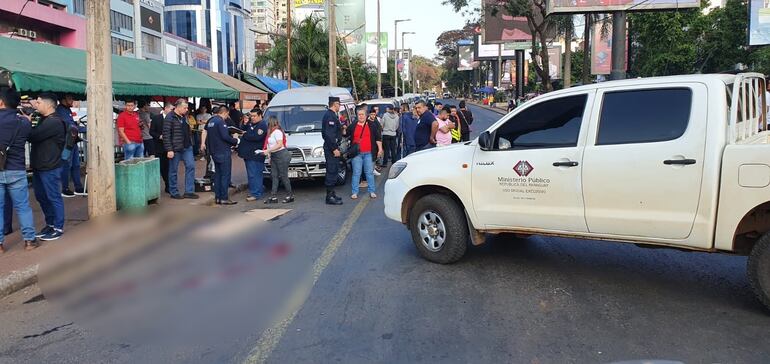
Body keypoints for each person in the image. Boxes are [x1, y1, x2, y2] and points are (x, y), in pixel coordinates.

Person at [0, 88, 37, 252]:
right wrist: (27, 120)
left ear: (1, 102)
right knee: (23, 206)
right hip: (17, 170)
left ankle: (0, 245)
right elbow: (30, 133)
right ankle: (29, 241)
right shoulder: (23, 123)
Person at [29, 93, 66, 241]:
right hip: (40, 166)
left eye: (38, 102)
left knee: (53, 197)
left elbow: (32, 136)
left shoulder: (54, 122)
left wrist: (27, 122)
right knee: (41, 196)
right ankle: (50, 224)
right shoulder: (44, 120)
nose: (35, 104)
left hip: (50, 166)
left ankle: (58, 227)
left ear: (49, 105)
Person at [163, 99, 199, 200]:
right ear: (178, 107)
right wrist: (169, 149)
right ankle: (174, 192)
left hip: (187, 146)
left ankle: (189, 191)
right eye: (185, 107)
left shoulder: (183, 117)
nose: (187, 109)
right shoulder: (169, 117)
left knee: (191, 167)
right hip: (175, 148)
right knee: (173, 170)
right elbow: (166, 134)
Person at [205, 106, 239, 205]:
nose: (227, 117)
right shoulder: (221, 122)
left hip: (214, 152)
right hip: (223, 152)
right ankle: (224, 197)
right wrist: (235, 141)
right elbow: (225, 136)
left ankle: (218, 198)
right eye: (227, 115)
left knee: (218, 175)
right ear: (225, 113)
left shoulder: (211, 121)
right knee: (225, 176)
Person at [346, 107, 382, 200]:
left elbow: (378, 138)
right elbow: (345, 134)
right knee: (356, 173)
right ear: (357, 116)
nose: (361, 116)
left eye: (362, 114)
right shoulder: (353, 125)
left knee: (369, 173)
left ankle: (372, 191)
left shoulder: (371, 125)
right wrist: (342, 127)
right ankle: (354, 192)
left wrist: (380, 149)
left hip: (369, 153)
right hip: (357, 154)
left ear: (366, 115)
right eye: (359, 114)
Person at [57, 94, 85, 198]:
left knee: (76, 165)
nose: (72, 100)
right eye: (69, 98)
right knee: (66, 165)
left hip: (72, 141)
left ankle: (78, 187)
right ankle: (65, 188)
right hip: (66, 143)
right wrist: (84, 129)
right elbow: (70, 126)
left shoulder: (67, 110)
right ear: (63, 99)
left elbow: (72, 124)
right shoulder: (60, 110)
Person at [239, 108, 267, 202]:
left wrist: (245, 135)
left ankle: (256, 193)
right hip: (248, 153)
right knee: (252, 174)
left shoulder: (262, 125)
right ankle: (255, 191)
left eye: (254, 116)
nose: (252, 118)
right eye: (251, 116)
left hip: (255, 154)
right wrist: (245, 122)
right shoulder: (251, 123)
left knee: (255, 174)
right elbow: (242, 129)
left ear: (260, 116)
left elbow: (256, 137)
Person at [263, 116, 293, 204]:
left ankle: (290, 195)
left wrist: (268, 150)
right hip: (274, 155)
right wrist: (269, 155)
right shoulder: (270, 132)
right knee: (274, 176)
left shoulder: (277, 132)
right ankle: (273, 196)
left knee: (283, 175)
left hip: (281, 154)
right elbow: (269, 144)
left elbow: (280, 144)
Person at [321, 96, 344, 205]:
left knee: (334, 170)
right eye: (339, 104)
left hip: (332, 146)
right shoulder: (330, 116)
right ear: (335, 104)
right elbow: (329, 135)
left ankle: (332, 193)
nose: (339, 106)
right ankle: (329, 197)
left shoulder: (332, 115)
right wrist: (334, 148)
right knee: (331, 171)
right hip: (331, 148)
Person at [150, 103, 173, 194]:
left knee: (170, 167)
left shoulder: (173, 118)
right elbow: (151, 131)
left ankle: (169, 185)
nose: (172, 111)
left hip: (170, 146)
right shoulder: (156, 118)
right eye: (171, 109)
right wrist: (159, 136)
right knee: (163, 167)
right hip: (159, 147)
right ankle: (166, 184)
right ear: (166, 108)